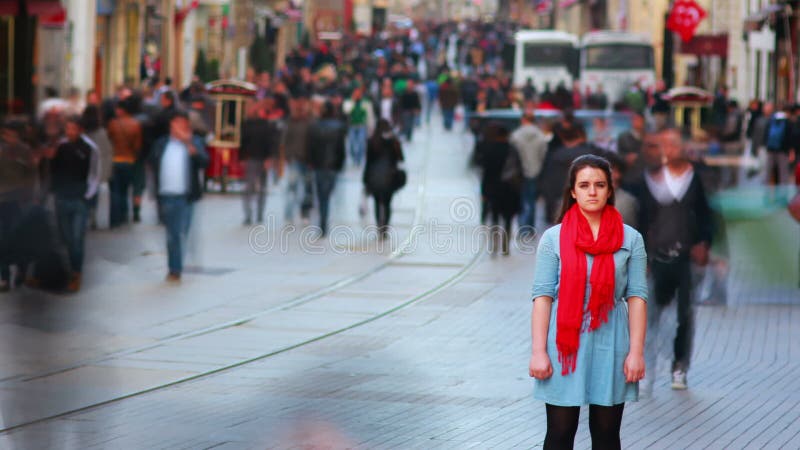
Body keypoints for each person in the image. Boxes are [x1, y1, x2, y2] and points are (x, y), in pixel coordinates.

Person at [529, 154, 647, 450]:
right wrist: (538, 352)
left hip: (612, 343)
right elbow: (542, 296)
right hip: (564, 346)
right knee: (560, 432)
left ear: (609, 190)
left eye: (599, 185)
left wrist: (636, 353)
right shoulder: (553, 239)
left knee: (606, 435)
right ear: (573, 191)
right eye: (584, 185)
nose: (592, 191)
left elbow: (637, 298)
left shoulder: (630, 239)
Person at [636, 128, 712, 391]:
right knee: (650, 314)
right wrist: (641, 256)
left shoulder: (696, 178)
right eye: (662, 145)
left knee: (684, 314)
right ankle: (645, 365)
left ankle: (680, 366)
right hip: (655, 258)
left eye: (672, 144)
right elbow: (640, 219)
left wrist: (705, 243)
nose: (667, 150)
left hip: (686, 258)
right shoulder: (649, 179)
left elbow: (706, 214)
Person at [149, 111, 209, 282]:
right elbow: (153, 164)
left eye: (183, 124)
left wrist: (189, 145)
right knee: (171, 233)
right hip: (166, 195)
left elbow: (204, 162)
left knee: (180, 233)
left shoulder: (195, 142)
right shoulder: (161, 144)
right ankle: (174, 267)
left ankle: (175, 268)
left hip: (186, 196)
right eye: (176, 123)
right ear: (171, 125)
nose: (179, 127)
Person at [49, 115, 100, 292]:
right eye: (68, 128)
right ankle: (68, 271)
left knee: (77, 239)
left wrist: (87, 195)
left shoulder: (89, 148)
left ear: (80, 130)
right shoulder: (60, 147)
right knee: (66, 238)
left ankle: (76, 273)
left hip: (79, 199)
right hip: (62, 198)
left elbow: (94, 174)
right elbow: (52, 169)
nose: (70, 132)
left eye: (73, 129)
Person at [475, 123, 519, 255]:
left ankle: (494, 244)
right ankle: (505, 245)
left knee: (494, 217)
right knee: (508, 218)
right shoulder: (512, 150)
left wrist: (484, 191)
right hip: (510, 187)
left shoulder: (489, 150)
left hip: (493, 187)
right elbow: (518, 169)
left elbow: (485, 172)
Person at [240, 98, 283, 225]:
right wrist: (242, 158)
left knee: (262, 188)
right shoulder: (247, 123)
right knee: (250, 186)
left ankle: (259, 214)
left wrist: (270, 158)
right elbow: (243, 142)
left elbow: (272, 142)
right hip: (251, 158)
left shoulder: (269, 124)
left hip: (263, 158)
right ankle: (248, 215)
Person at [307, 102, 347, 237]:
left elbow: (310, 147)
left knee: (321, 196)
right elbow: (341, 149)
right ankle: (324, 222)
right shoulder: (338, 128)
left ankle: (322, 223)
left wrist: (311, 162)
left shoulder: (314, 127)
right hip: (332, 166)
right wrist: (341, 164)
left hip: (319, 165)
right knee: (327, 195)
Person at [363, 119, 405, 239]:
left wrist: (365, 179)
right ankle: (385, 228)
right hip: (390, 176)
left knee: (377, 202)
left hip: (374, 176)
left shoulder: (372, 141)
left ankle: (379, 227)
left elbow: (368, 162)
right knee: (387, 203)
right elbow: (401, 158)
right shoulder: (393, 141)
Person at [509, 113, 548, 236]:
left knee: (521, 199)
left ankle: (523, 227)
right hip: (535, 171)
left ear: (523, 120)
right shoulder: (541, 136)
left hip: (519, 172)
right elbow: (543, 155)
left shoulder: (515, 136)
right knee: (531, 200)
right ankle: (530, 227)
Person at [106, 97, 142, 227]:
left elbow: (108, 141)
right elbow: (137, 146)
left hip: (115, 160)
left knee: (115, 191)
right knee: (125, 190)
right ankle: (124, 215)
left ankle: (114, 218)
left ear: (121, 110)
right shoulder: (135, 124)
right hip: (129, 160)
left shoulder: (112, 124)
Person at [343, 86, 374, 167]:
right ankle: (353, 157)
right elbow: (346, 111)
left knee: (361, 143)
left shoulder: (366, 102)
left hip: (362, 125)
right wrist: (353, 101)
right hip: (352, 125)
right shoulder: (348, 102)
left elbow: (370, 115)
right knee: (352, 143)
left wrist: (371, 127)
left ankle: (359, 158)